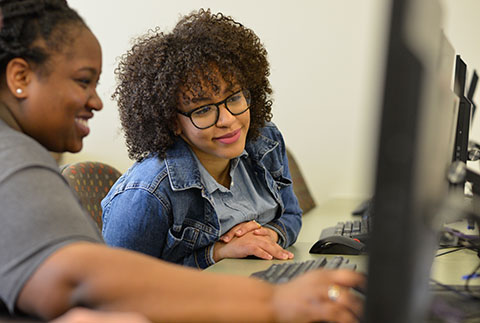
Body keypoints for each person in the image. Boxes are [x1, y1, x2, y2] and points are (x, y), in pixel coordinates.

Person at [0, 1, 364, 322]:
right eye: (83, 81)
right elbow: (95, 287)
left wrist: (271, 240)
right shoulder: (21, 163)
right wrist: (272, 299)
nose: (97, 102)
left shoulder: (264, 141)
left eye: (234, 98)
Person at [102, 9, 302, 269]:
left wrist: (269, 235)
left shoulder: (265, 140)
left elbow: (291, 215)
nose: (228, 120)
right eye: (203, 109)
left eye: (234, 98)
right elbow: (120, 286)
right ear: (173, 122)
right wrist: (216, 253)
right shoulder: (146, 194)